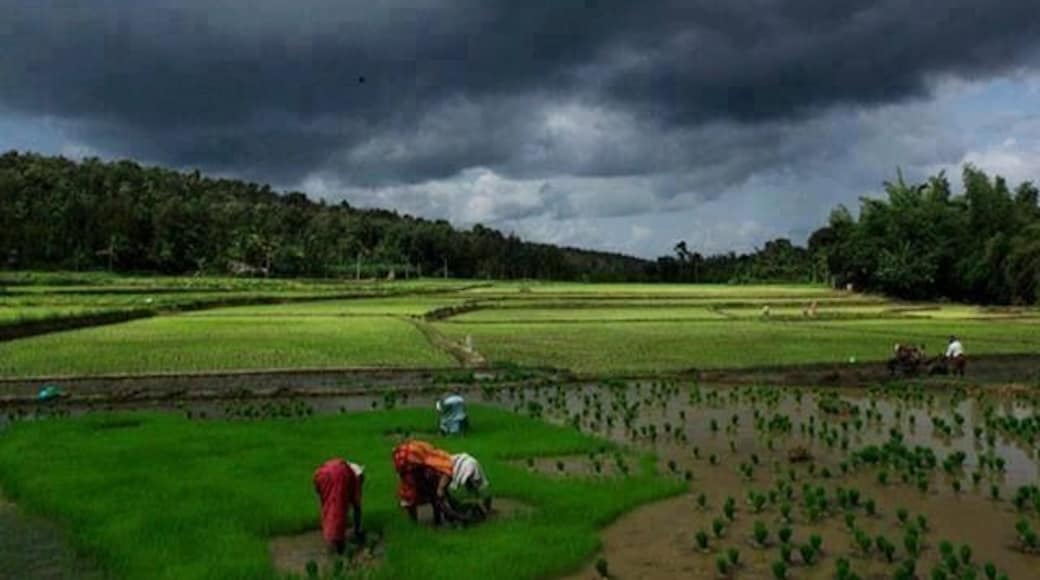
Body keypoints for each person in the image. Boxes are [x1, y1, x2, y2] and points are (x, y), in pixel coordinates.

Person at [392, 440, 490, 525]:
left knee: (436, 497)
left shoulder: (433, 461)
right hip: (420, 477)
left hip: (429, 473)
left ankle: (439, 520)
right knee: (420, 497)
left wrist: (440, 489)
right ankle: (417, 524)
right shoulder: (408, 473)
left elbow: (446, 470)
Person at [313, 458, 365, 553]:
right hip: (336, 476)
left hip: (320, 475)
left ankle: (331, 537)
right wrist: (357, 530)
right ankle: (336, 542)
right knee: (338, 510)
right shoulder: (353, 478)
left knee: (329, 507)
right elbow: (356, 506)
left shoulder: (344, 469)